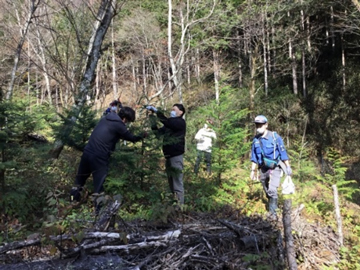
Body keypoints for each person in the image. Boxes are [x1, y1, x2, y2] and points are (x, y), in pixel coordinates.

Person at [70, 106, 146, 211]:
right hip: (99, 156)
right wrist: (142, 136)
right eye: (128, 121)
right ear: (124, 119)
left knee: (79, 180)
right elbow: (131, 138)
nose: (126, 123)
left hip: (87, 152)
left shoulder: (106, 118)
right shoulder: (119, 125)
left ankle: (71, 202)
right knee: (99, 184)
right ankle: (98, 212)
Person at [250, 115, 292, 219]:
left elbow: (283, 152)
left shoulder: (275, 137)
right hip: (263, 168)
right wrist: (252, 170)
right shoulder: (255, 140)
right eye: (257, 125)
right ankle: (271, 200)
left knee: (272, 189)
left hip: (275, 167)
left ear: (266, 125)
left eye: (260, 125)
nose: (258, 127)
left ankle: (273, 214)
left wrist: (287, 166)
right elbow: (254, 157)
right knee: (265, 186)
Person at [146, 104, 186, 204]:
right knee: (171, 182)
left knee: (177, 181)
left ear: (180, 112)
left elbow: (167, 122)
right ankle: (174, 204)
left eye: (174, 109)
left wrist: (157, 112)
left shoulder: (180, 122)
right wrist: (152, 119)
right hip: (168, 156)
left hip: (176, 156)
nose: (171, 111)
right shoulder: (169, 124)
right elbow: (158, 134)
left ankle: (180, 207)